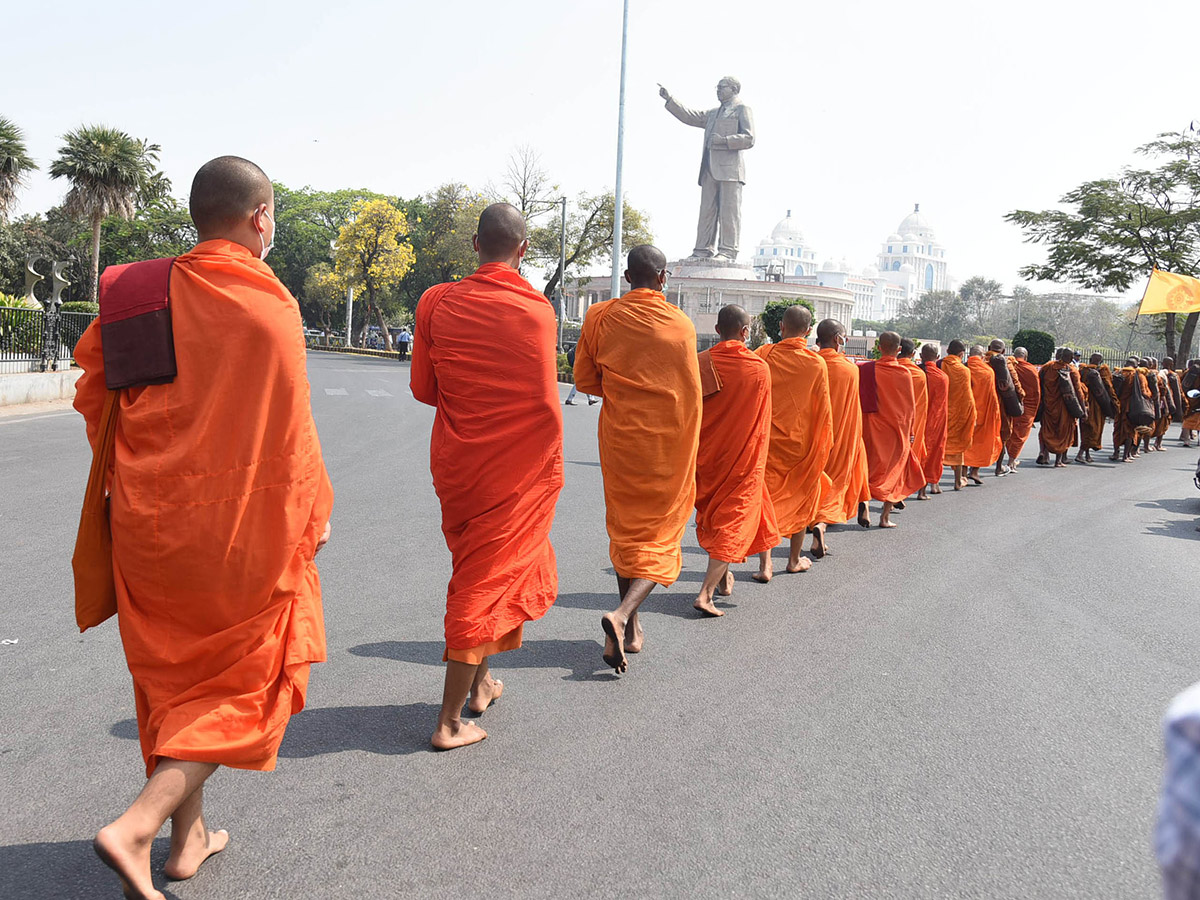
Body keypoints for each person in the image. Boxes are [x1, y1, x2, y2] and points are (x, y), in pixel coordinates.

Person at [73, 156, 334, 900]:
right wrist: (311, 513)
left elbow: (99, 399)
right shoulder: (267, 302)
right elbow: (289, 433)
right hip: (240, 535)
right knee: (250, 681)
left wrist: (157, 469)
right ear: (260, 217)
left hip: (150, 529)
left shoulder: (134, 293)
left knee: (172, 681)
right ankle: (136, 826)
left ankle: (189, 839)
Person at [411, 203, 565, 749]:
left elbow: (424, 390)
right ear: (523, 251)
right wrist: (545, 463)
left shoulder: (436, 301)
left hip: (460, 466)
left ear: (475, 244)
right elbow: (546, 403)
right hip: (515, 470)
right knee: (483, 581)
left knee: (479, 567)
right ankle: (448, 721)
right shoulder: (536, 311)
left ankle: (481, 685)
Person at [574, 245, 701, 674]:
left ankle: (631, 629)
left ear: (628, 278)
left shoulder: (600, 316)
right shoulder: (680, 325)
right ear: (663, 278)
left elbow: (585, 379)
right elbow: (691, 394)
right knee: (662, 533)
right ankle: (624, 615)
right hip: (667, 446)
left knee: (626, 529)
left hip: (621, 439)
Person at [691, 304, 779, 615]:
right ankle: (705, 593)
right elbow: (762, 418)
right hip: (742, 456)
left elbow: (692, 411)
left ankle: (736, 571)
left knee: (728, 514)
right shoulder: (758, 368)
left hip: (706, 456)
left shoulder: (701, 362)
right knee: (733, 519)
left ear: (717, 330)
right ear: (745, 333)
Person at [755, 305, 833, 576]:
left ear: (781, 328)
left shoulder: (764, 354)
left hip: (768, 441)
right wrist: (822, 445)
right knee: (802, 496)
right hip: (800, 444)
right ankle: (793, 559)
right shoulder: (816, 363)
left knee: (767, 499)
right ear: (809, 332)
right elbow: (823, 409)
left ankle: (765, 563)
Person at [659, 77, 755, 261]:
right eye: (717, 87)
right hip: (709, 168)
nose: (717, 90)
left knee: (729, 213)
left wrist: (725, 141)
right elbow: (690, 116)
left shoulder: (742, 109)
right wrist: (670, 99)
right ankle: (702, 250)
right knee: (707, 211)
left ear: (734, 89)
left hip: (730, 171)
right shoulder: (712, 113)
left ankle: (727, 251)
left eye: (722, 87)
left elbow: (749, 138)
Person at [813, 318, 871, 547]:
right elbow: (853, 406)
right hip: (845, 432)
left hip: (816, 435)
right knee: (840, 478)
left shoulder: (811, 363)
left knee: (822, 478)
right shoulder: (849, 369)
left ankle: (862, 503)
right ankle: (822, 522)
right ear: (838, 339)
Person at [859, 331, 924, 527]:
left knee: (868, 466)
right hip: (896, 428)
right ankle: (884, 517)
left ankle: (865, 504)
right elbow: (910, 406)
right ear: (899, 350)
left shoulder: (866, 369)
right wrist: (911, 431)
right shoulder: (904, 373)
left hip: (871, 426)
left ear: (878, 348)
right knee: (894, 470)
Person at [1038, 347, 1087, 467]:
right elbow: (1078, 391)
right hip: (1065, 407)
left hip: (1048, 405)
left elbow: (1039, 385)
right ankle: (1058, 461)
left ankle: (1044, 454)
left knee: (1047, 429)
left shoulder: (1047, 367)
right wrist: (1083, 409)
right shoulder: (1071, 370)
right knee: (1063, 431)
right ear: (1070, 358)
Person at [941, 340, 976, 491]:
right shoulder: (964, 370)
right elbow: (967, 397)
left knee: (938, 447)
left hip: (941, 412)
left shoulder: (939, 365)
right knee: (958, 448)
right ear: (961, 354)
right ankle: (957, 482)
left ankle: (934, 483)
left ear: (947, 350)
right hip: (959, 414)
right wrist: (972, 413)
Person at [964, 345, 1002, 484]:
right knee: (981, 442)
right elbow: (992, 396)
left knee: (965, 440)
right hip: (984, 413)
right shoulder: (988, 371)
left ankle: (962, 473)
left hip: (966, 412)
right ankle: (974, 471)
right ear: (982, 356)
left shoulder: (964, 368)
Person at [986, 339, 1024, 476]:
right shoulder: (1006, 363)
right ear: (1003, 351)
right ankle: (999, 467)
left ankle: (973, 468)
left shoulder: (980, 362)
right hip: (1002, 405)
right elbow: (1016, 383)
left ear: (988, 348)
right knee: (1003, 435)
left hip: (984, 403)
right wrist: (1020, 398)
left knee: (980, 434)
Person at [897, 337, 929, 497]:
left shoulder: (887, 370)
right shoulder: (919, 374)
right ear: (913, 353)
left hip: (890, 422)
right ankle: (900, 490)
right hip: (912, 424)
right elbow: (922, 407)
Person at [917, 343, 949, 496]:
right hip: (936, 421)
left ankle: (917, 485)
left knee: (917, 452)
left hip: (916, 420)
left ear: (921, 356)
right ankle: (930, 485)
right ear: (937, 357)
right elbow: (941, 403)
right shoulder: (942, 377)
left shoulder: (915, 373)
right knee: (934, 452)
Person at [1076, 353, 1115, 464]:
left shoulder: (1083, 370)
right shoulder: (1102, 372)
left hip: (1085, 403)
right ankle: (1080, 454)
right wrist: (1114, 402)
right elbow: (1108, 386)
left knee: (1086, 428)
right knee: (1093, 429)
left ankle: (1087, 455)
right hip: (1097, 405)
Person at [1111, 357, 1151, 462]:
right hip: (1130, 407)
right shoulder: (1137, 375)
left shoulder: (1117, 373)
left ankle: (1115, 453)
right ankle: (1126, 455)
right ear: (1136, 365)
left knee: (1117, 429)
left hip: (1118, 406)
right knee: (1129, 431)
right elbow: (1143, 392)